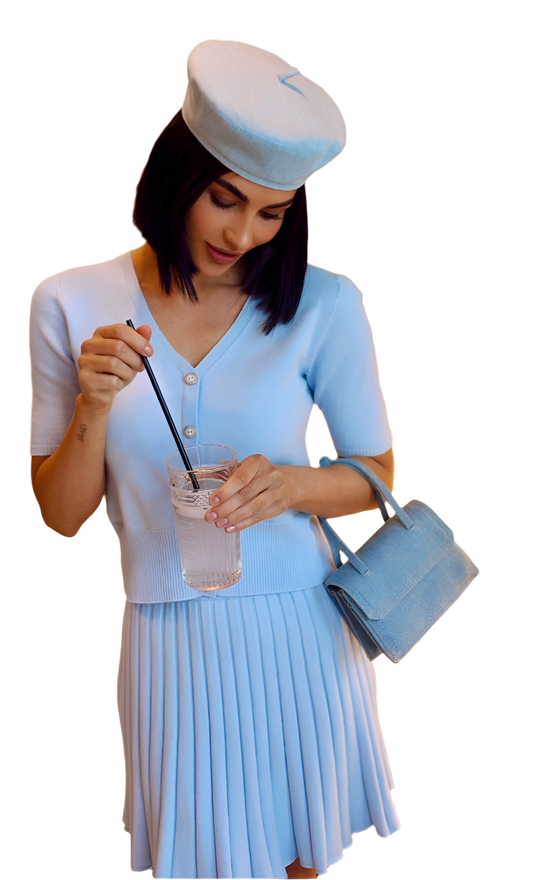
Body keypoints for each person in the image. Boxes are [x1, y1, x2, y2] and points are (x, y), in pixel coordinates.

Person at [27, 37, 402, 879]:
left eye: (271, 212)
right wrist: (92, 406)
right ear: (173, 176)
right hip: (166, 634)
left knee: (306, 858)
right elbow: (59, 516)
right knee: (193, 858)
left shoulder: (325, 303)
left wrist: (293, 485)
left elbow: (377, 473)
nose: (241, 232)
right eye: (223, 198)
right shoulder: (68, 299)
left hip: (302, 630)